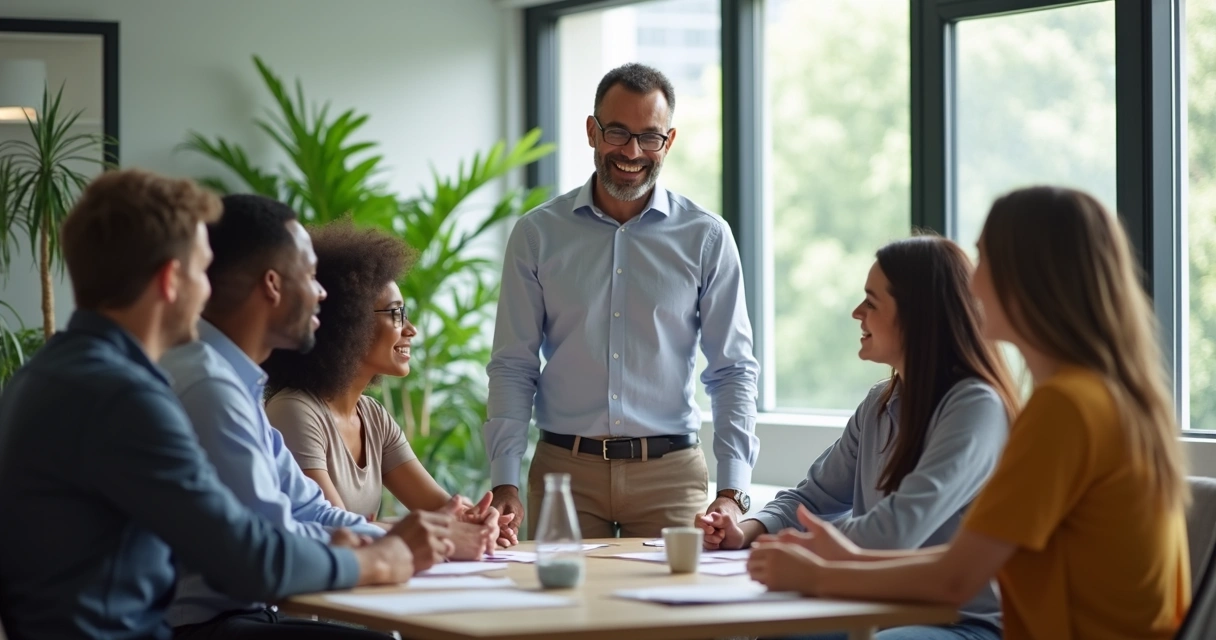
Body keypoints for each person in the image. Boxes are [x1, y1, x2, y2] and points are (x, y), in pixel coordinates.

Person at [0, 170, 450, 640]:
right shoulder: (126, 396)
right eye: (202, 270)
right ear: (172, 280)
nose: (210, 290)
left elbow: (261, 530)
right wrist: (376, 559)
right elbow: (249, 559)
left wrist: (385, 544)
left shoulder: (48, 375)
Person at [747, 186, 1193, 640]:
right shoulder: (1097, 397)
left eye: (984, 260)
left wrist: (819, 574)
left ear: (1029, 278)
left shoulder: (1064, 408)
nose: (972, 283)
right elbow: (966, 559)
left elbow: (956, 579)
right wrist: (841, 559)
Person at [158, 194, 484, 638]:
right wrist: (387, 551)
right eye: (310, 275)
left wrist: (417, 537)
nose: (323, 294)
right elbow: (272, 543)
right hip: (203, 625)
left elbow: (308, 508)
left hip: (243, 614)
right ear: (273, 285)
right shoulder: (210, 389)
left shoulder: (232, 381)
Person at [484, 62, 760, 540]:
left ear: (668, 142)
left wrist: (733, 491)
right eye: (617, 132)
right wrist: (504, 479)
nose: (632, 152)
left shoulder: (707, 237)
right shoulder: (537, 235)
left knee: (681, 592)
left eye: (649, 137)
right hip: (564, 474)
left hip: (670, 477)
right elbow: (513, 364)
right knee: (558, 592)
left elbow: (732, 369)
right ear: (592, 132)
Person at [701, 236, 1018, 640]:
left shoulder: (976, 407)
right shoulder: (879, 405)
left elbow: (895, 531)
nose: (856, 313)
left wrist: (800, 553)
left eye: (871, 302)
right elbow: (813, 499)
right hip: (879, 609)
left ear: (917, 316)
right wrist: (747, 530)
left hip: (963, 622)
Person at [262, 221, 516, 549]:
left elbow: (442, 509)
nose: (411, 329)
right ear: (348, 321)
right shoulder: (294, 411)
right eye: (396, 314)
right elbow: (333, 528)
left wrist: (478, 519)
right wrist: (438, 529)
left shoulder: (373, 416)